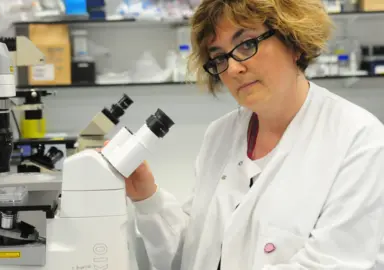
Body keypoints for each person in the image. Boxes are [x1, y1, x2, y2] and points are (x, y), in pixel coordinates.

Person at [125, 0, 384, 269]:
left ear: (294, 42)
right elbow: (194, 252)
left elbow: (332, 263)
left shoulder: (359, 140)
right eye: (220, 57)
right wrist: (147, 196)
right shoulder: (220, 135)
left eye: (247, 44)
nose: (233, 68)